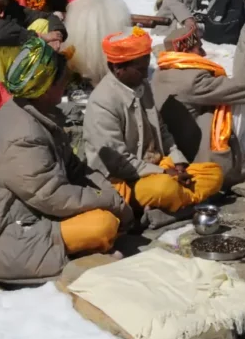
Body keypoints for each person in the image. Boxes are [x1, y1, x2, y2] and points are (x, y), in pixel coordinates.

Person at [0, 39, 132, 285]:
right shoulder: (23, 135)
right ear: (45, 87)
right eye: (62, 81)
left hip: (29, 219)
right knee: (102, 224)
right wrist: (111, 201)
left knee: (115, 194)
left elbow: (75, 168)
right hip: (0, 241)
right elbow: (52, 196)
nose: (65, 87)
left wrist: (109, 193)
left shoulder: (35, 115)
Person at [83, 28, 224, 221]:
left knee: (213, 172)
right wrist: (166, 173)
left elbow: (162, 131)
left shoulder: (142, 86)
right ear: (117, 68)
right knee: (164, 188)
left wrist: (178, 161)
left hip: (159, 167)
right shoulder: (103, 102)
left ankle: (171, 206)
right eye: (140, 70)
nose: (145, 75)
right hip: (127, 179)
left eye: (146, 67)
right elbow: (119, 164)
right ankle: (175, 205)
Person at [152, 24, 245, 186]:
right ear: (186, 52)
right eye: (199, 49)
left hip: (173, 146)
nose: (204, 54)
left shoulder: (159, 73)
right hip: (194, 152)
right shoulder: (193, 80)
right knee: (240, 99)